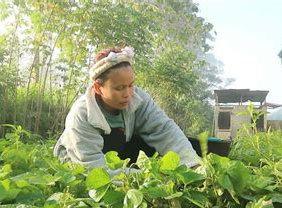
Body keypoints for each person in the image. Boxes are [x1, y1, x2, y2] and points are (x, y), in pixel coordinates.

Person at [54, 46, 201, 175]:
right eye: (119, 88)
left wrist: (192, 164)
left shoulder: (137, 97)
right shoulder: (81, 114)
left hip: (117, 151)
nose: (128, 94)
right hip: (78, 158)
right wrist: (144, 176)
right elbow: (92, 167)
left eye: (131, 85)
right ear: (98, 88)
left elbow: (164, 129)